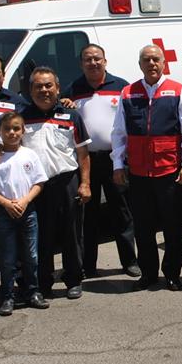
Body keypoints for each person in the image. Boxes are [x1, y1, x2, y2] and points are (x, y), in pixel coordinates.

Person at [112, 45, 182, 292]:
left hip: (169, 170)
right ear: (140, 64)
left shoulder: (179, 91)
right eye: (146, 60)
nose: (151, 64)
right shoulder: (128, 93)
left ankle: (172, 273)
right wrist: (118, 164)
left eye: (156, 59)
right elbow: (119, 133)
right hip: (138, 172)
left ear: (163, 63)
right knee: (143, 227)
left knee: (173, 226)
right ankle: (148, 274)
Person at [65, 44, 140, 279]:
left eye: (97, 59)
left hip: (115, 158)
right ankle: (88, 265)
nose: (93, 63)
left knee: (122, 211)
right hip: (86, 161)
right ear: (81, 64)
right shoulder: (72, 89)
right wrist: (65, 104)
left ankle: (129, 261)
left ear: (105, 61)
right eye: (88, 59)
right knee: (88, 215)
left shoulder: (121, 87)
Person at [18, 67, 92, 300]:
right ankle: (43, 281)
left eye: (48, 85)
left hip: (67, 181)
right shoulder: (22, 118)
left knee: (71, 232)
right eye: (38, 86)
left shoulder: (72, 116)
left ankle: (73, 279)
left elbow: (83, 154)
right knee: (42, 235)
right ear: (30, 90)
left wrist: (85, 184)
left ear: (58, 88)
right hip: (35, 186)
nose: (44, 90)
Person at [0, 112, 50, 315]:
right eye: (7, 129)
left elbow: (39, 182)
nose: (12, 132)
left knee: (31, 254)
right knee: (7, 257)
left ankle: (32, 292)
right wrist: (6, 204)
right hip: (5, 213)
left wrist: (24, 201)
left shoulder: (29, 155)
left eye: (16, 128)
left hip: (27, 210)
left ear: (23, 131)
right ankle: (7, 296)